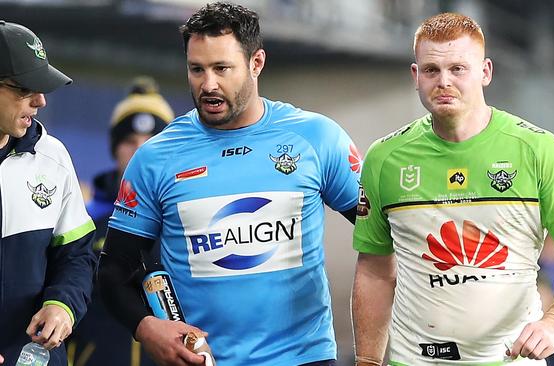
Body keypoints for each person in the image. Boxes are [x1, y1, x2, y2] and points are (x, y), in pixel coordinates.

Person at [98, 3, 360, 366]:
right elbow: (112, 272)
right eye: (196, 69)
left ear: (256, 63)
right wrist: (146, 328)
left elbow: (382, 234)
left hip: (306, 358)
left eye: (222, 68)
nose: (208, 84)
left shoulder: (316, 137)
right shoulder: (155, 157)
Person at [351, 12, 554, 366]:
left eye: (458, 68)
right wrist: (367, 361)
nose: (444, 81)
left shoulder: (538, 150)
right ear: (415, 76)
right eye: (431, 70)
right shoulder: (384, 158)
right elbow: (375, 271)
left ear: (485, 72)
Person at [0, 21, 96, 365]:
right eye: (26, 89)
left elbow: (77, 256)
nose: (40, 101)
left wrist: (62, 305)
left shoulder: (53, 156)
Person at [68, 76, 173, 366]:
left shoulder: (187, 220)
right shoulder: (83, 220)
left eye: (152, 141)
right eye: (130, 141)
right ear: (115, 147)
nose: (140, 151)